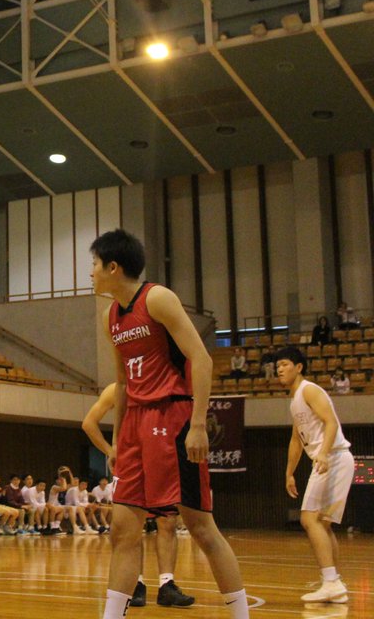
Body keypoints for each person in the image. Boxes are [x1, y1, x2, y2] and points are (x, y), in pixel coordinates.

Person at [92, 229, 248, 619]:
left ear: (113, 267)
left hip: (172, 417)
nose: (90, 273)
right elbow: (122, 383)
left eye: (94, 265)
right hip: (135, 424)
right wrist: (118, 439)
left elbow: (202, 358)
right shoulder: (111, 316)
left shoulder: (157, 299)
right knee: (122, 531)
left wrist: (198, 424)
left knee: (201, 528)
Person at [82, 381, 193, 606]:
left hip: (159, 459)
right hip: (131, 464)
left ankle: (167, 584)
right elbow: (89, 423)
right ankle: (135, 583)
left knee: (167, 521)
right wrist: (110, 450)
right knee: (132, 527)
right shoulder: (117, 388)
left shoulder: (160, 385)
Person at [277, 346, 355, 604]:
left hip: (333, 457)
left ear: (299, 367)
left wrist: (322, 453)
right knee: (322, 523)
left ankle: (331, 582)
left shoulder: (309, 390)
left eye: (285, 364)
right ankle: (334, 583)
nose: (279, 369)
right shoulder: (295, 401)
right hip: (331, 459)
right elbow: (295, 440)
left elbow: (331, 421)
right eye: (277, 366)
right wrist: (289, 473)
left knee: (309, 519)